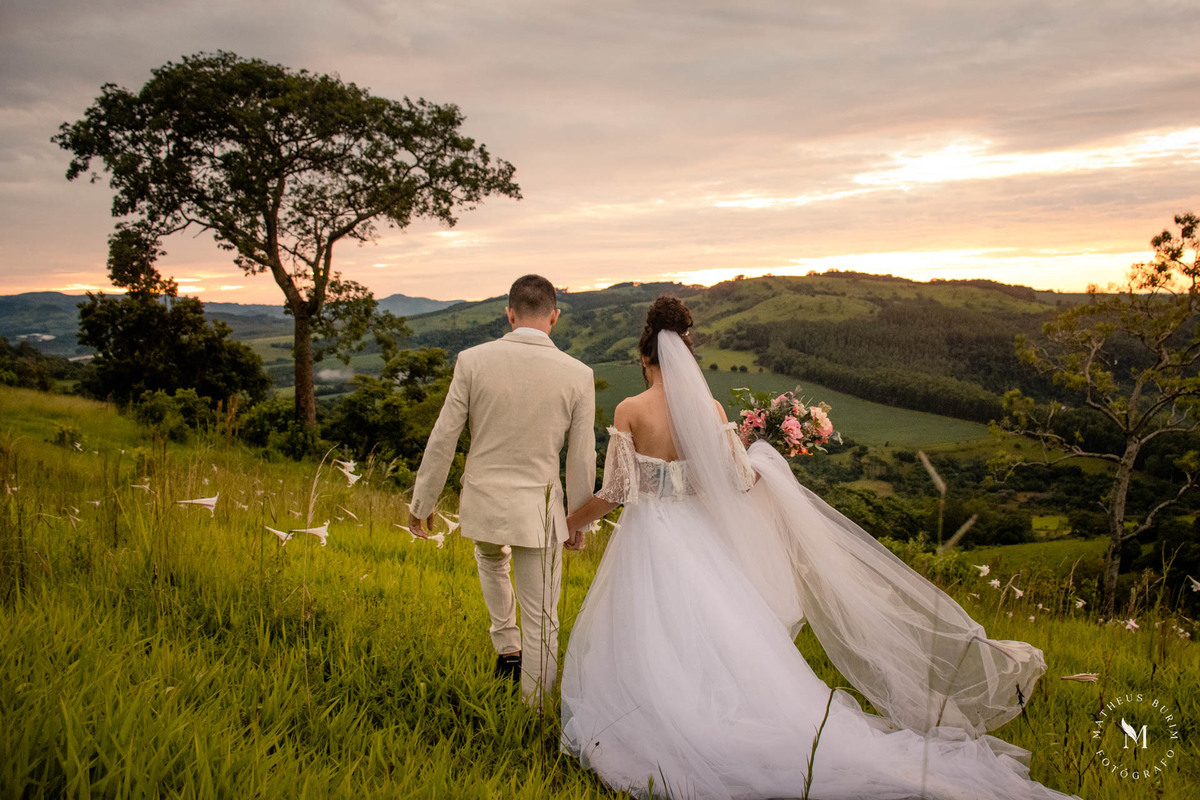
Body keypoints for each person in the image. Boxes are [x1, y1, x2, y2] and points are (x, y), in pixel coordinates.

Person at [560, 296, 1080, 800]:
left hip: (652, 539)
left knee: (655, 633)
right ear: (687, 351)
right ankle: (722, 713)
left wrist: (569, 522)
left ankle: (665, 717)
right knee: (719, 636)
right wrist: (764, 454)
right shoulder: (711, 407)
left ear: (645, 353)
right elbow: (737, 481)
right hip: (699, 540)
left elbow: (617, 492)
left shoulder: (631, 409)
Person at [409, 274, 596, 706]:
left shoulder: (472, 360)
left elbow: (444, 437)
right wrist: (578, 520)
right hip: (540, 510)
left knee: (491, 560)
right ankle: (532, 709)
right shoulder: (578, 374)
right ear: (555, 316)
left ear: (510, 314)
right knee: (543, 616)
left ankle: (506, 647)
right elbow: (582, 457)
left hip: (484, 501)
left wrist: (423, 501)